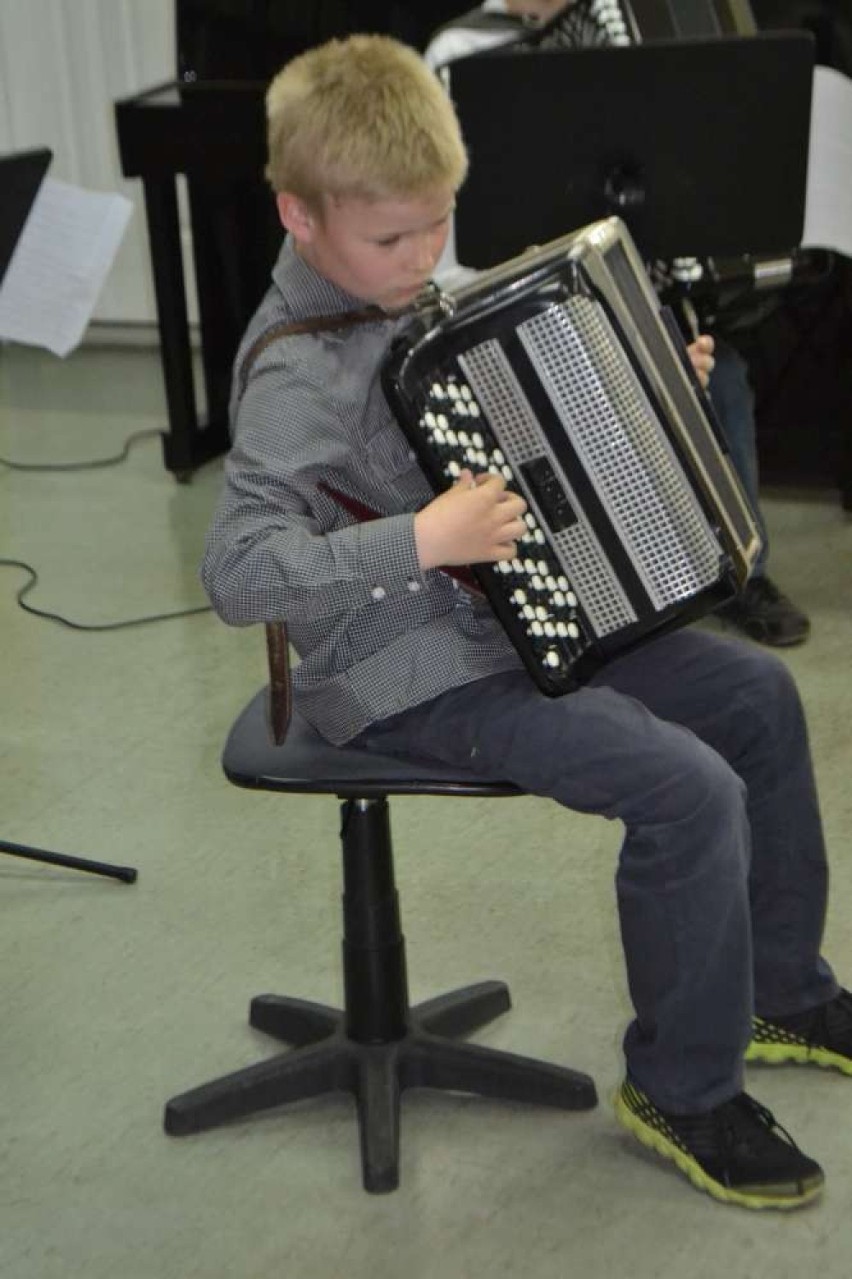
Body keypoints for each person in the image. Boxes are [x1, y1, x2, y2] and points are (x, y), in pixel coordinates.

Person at [201, 33, 852, 1210]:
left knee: (757, 698)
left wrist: (666, 378)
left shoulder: (423, 300)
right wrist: (425, 539)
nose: (421, 261)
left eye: (435, 228)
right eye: (389, 238)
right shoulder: (294, 374)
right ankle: (683, 1089)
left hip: (518, 620)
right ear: (298, 218)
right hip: (406, 676)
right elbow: (241, 572)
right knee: (685, 786)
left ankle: (781, 989)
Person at [424, 0, 812, 648]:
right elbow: (456, 222)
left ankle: (741, 570)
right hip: (511, 296)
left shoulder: (615, 22)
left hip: (622, 280)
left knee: (723, 375)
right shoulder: (461, 52)